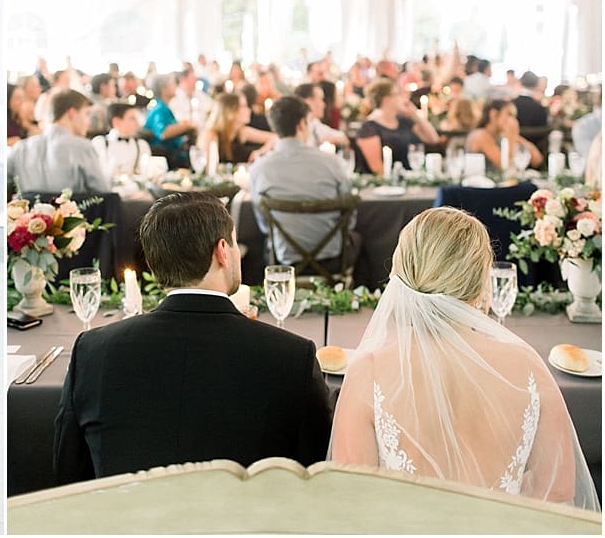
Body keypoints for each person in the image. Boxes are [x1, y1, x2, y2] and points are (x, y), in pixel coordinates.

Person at [53, 193, 333, 484]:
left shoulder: (92, 351)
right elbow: (314, 476)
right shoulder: (291, 356)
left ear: (152, 259)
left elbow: (69, 474)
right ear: (222, 251)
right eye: (235, 243)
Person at [331, 207, 599, 510]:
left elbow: (352, 502)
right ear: (479, 285)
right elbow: (559, 489)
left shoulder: (369, 371)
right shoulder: (527, 364)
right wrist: (505, 498)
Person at [249, 96, 357, 275]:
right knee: (361, 240)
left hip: (284, 260)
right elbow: (349, 217)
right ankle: (347, 296)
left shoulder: (258, 169)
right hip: (332, 258)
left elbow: (263, 225)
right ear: (301, 124)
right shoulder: (332, 163)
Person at [7, 89, 110, 194]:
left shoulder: (20, 148)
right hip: (77, 210)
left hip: (29, 209)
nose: (89, 122)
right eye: (86, 114)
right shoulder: (83, 147)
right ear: (72, 113)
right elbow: (104, 194)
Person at [354, 78, 440, 174]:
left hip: (409, 176)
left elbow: (433, 139)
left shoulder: (403, 121)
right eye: (398, 94)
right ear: (387, 99)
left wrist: (415, 114)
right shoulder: (369, 128)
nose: (403, 98)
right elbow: (378, 171)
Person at [465, 99, 542, 173]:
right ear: (493, 114)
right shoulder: (480, 136)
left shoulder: (502, 136)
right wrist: (512, 138)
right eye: (509, 114)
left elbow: (537, 161)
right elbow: (506, 167)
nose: (513, 120)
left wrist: (515, 136)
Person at [202, 91, 275, 165]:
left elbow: (275, 138)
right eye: (244, 106)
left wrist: (259, 152)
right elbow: (208, 169)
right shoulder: (212, 135)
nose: (249, 110)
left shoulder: (242, 131)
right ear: (231, 111)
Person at [144, 74, 198, 169]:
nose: (175, 86)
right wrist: (188, 126)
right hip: (167, 158)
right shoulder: (159, 109)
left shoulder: (164, 107)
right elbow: (163, 133)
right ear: (164, 89)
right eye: (172, 84)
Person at [91, 102, 151, 180]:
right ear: (116, 121)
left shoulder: (141, 145)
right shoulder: (99, 143)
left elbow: (145, 174)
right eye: (132, 119)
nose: (137, 124)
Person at [293, 82, 348, 149]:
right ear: (308, 102)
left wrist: (330, 140)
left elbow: (342, 136)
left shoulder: (314, 122)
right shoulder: (295, 129)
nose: (324, 105)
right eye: (321, 99)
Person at [7, 83, 39, 147]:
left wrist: (25, 122)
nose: (22, 101)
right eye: (17, 98)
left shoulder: (19, 117)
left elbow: (37, 133)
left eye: (23, 97)